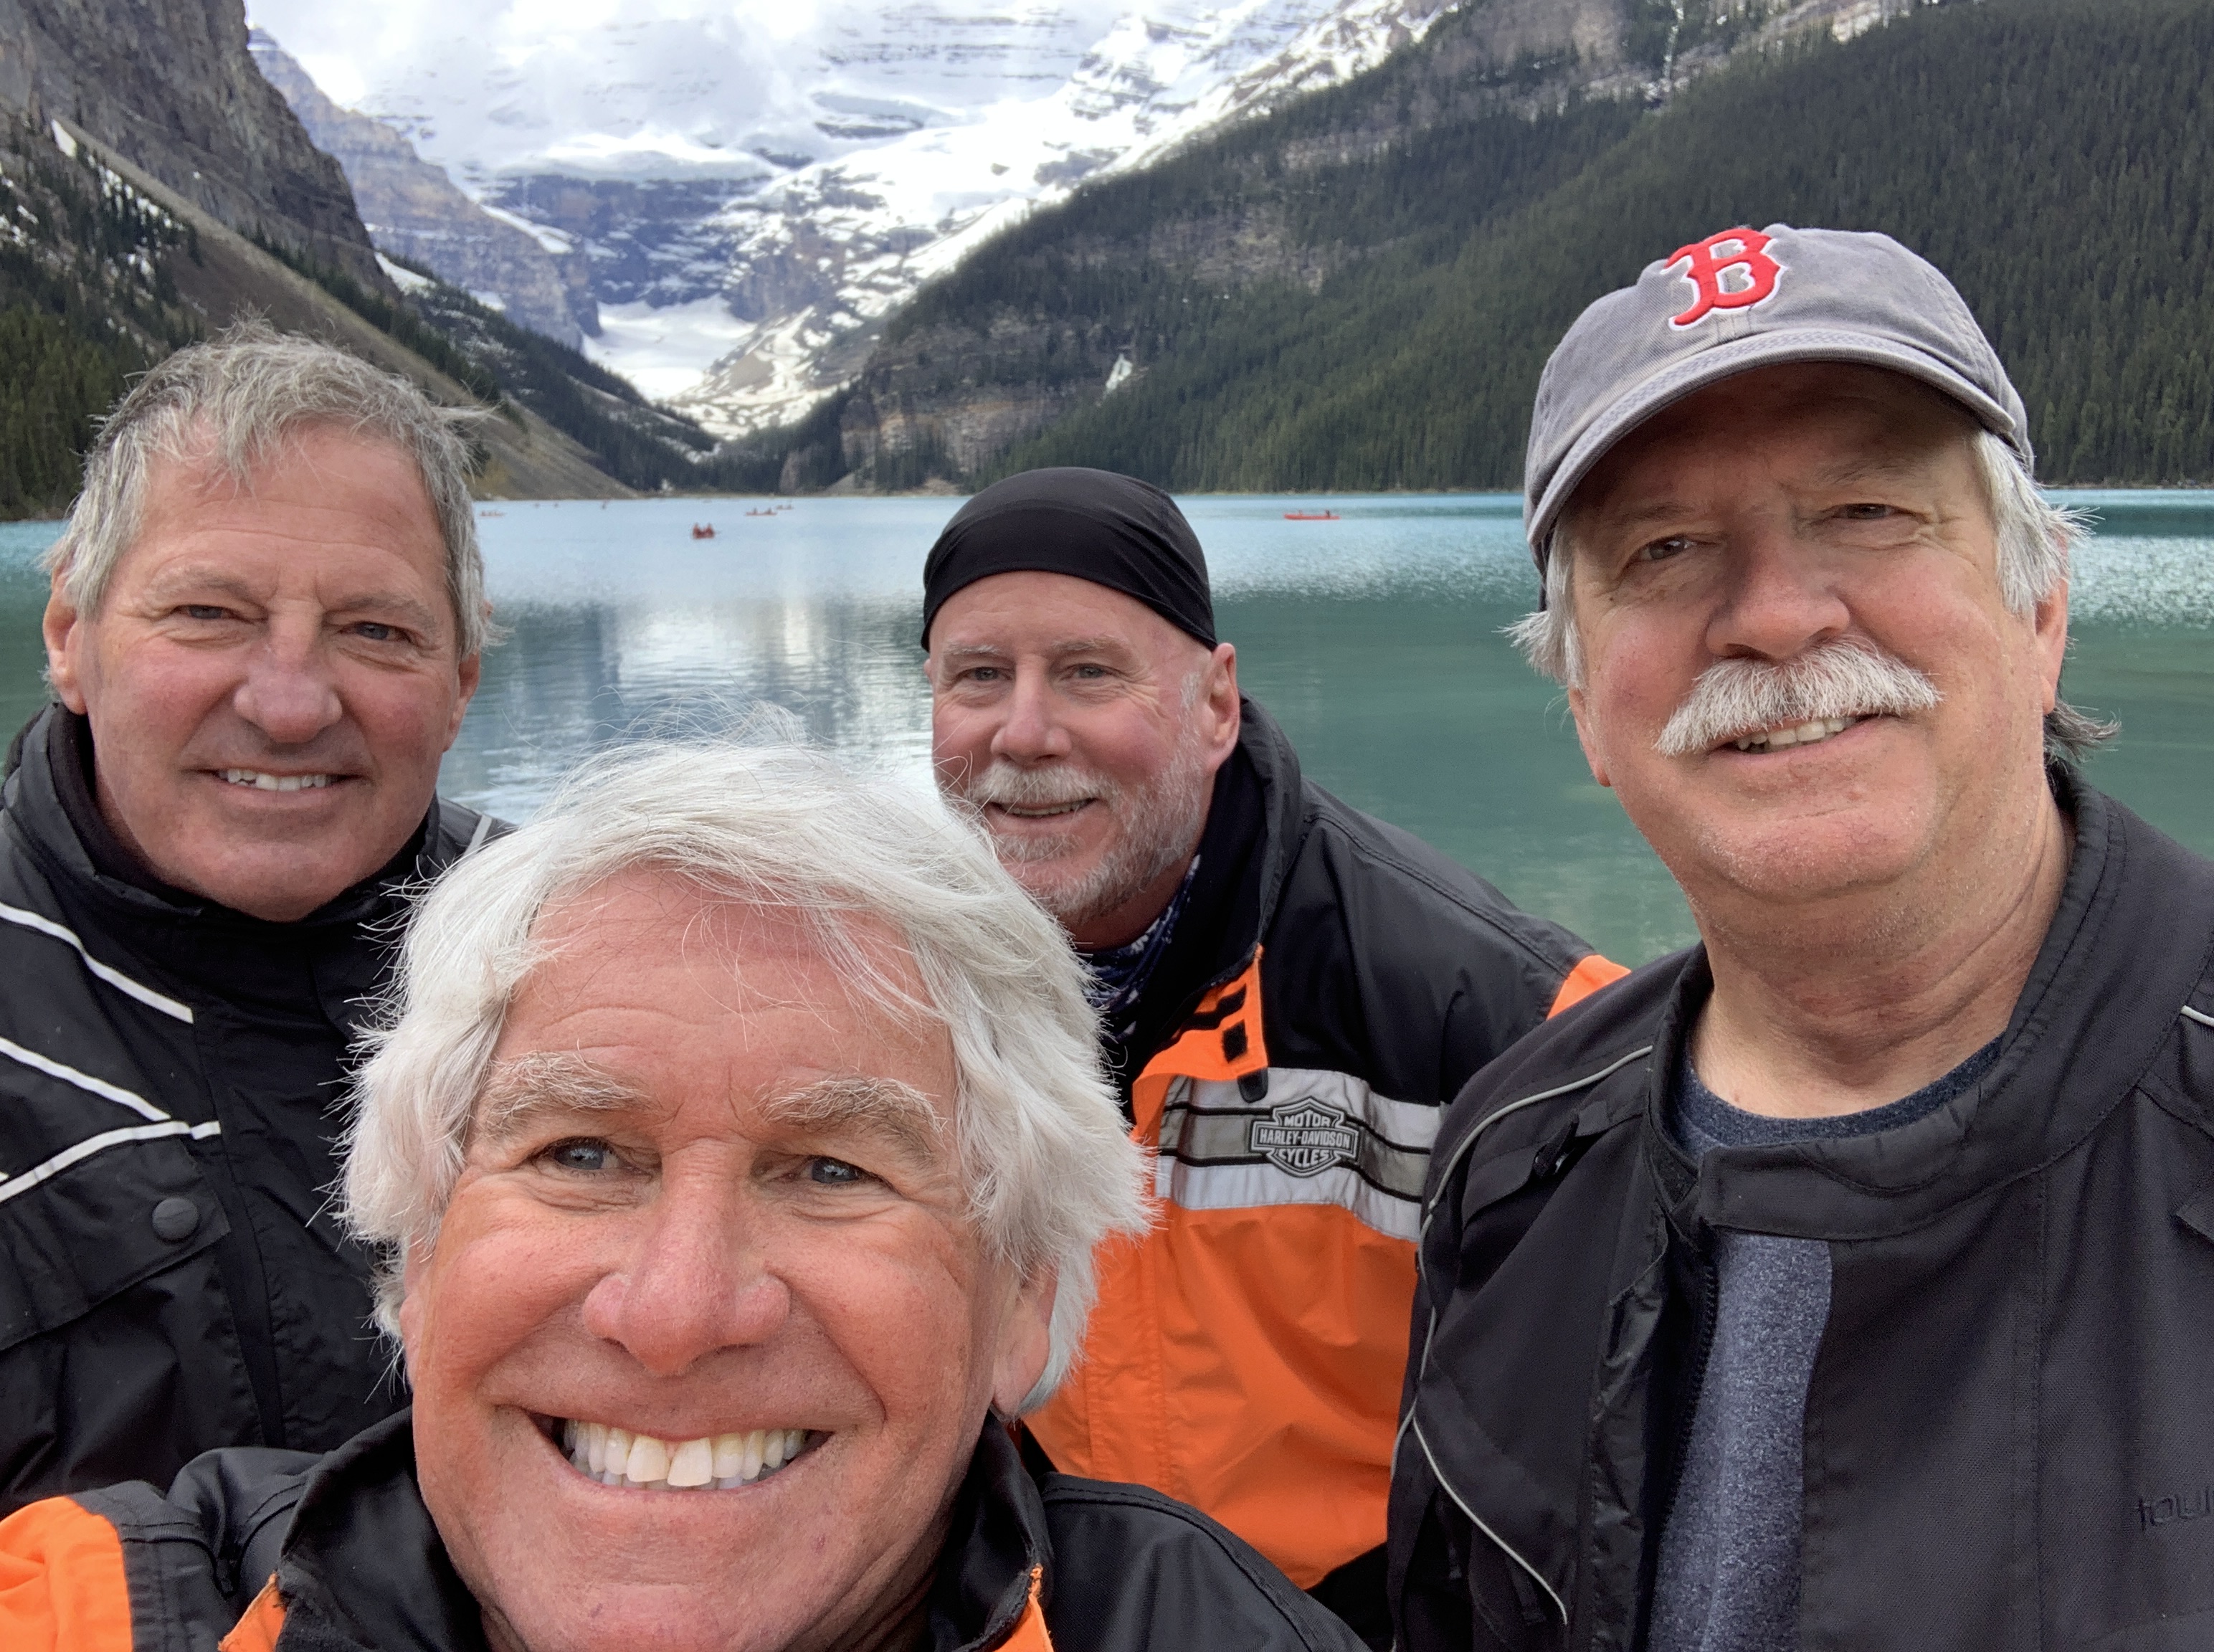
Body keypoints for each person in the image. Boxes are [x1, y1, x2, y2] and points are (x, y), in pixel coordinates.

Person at [0, 740, 1370, 1652]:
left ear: (1024, 1297)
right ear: (416, 1254)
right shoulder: (105, 1613)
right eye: (581, 1156)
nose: (676, 1314)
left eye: (832, 1171)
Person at [1388, 224, 2214, 1651]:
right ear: (1583, 705)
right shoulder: (1512, 1169)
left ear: (2039, 610)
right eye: (1662, 550)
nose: (1773, 616)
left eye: (1867, 511)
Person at [921, 468, 1624, 1639]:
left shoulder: (1516, 1021)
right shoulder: (897, 991)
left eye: (1088, 673)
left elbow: (1609, 1457)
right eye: (978, 677)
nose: (1024, 731)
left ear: (1215, 704)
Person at [0, 324, 497, 1511]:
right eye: (207, 612)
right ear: (70, 638)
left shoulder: (577, 952)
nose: (288, 705)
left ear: (461, 684)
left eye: (376, 631)